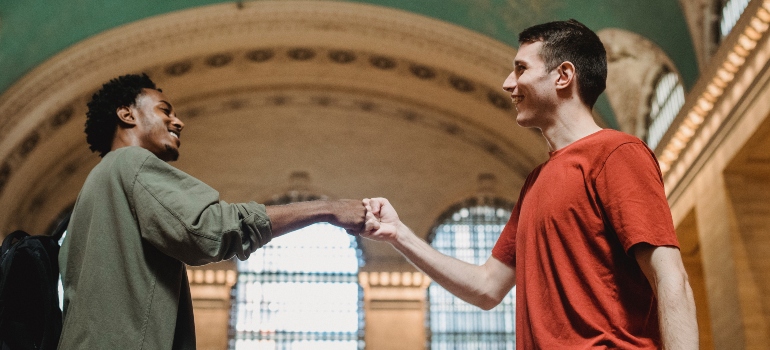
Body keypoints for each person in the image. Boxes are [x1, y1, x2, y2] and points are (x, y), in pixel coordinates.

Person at [362, 19, 698, 349]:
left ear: (563, 76)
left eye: (521, 69)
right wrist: (398, 233)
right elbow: (486, 287)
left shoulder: (617, 153)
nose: (508, 83)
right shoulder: (536, 183)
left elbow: (670, 279)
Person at [58, 73, 366, 349]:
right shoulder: (130, 163)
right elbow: (210, 231)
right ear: (126, 114)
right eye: (164, 110)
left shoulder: (96, 187)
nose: (178, 122)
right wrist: (328, 210)